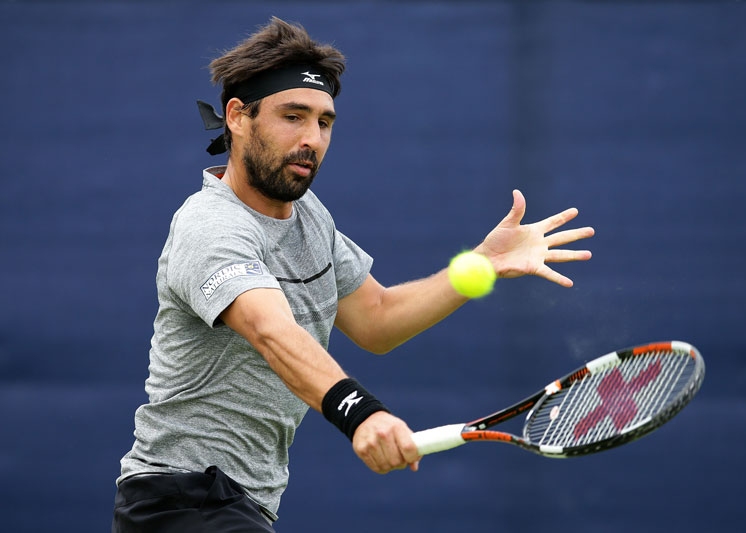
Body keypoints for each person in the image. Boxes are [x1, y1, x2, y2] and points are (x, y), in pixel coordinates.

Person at [112, 16, 595, 533]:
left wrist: (480, 264)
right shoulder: (210, 225)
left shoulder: (310, 219)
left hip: (236, 503)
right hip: (179, 499)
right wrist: (361, 413)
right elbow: (271, 331)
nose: (312, 139)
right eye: (292, 116)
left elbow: (377, 319)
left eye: (324, 122)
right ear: (237, 117)